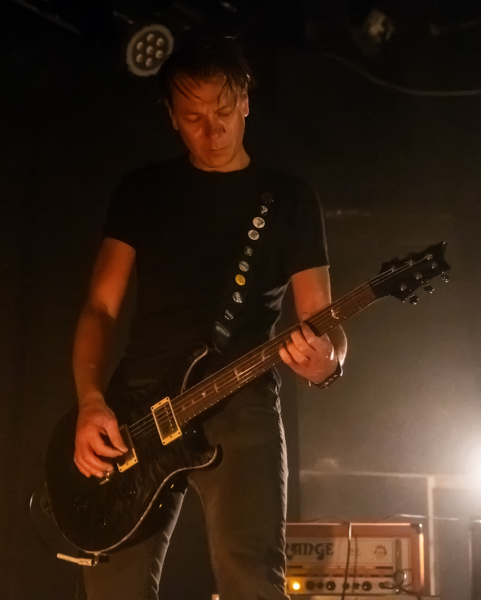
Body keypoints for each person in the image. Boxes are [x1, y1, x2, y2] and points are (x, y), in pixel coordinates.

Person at [71, 36, 347, 600]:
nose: (212, 129)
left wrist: (329, 361)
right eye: (193, 116)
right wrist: (90, 401)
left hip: (239, 399)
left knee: (250, 576)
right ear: (171, 117)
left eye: (222, 110)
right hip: (137, 404)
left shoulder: (289, 198)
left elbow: (321, 317)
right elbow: (100, 307)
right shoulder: (143, 190)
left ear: (245, 101)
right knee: (112, 585)